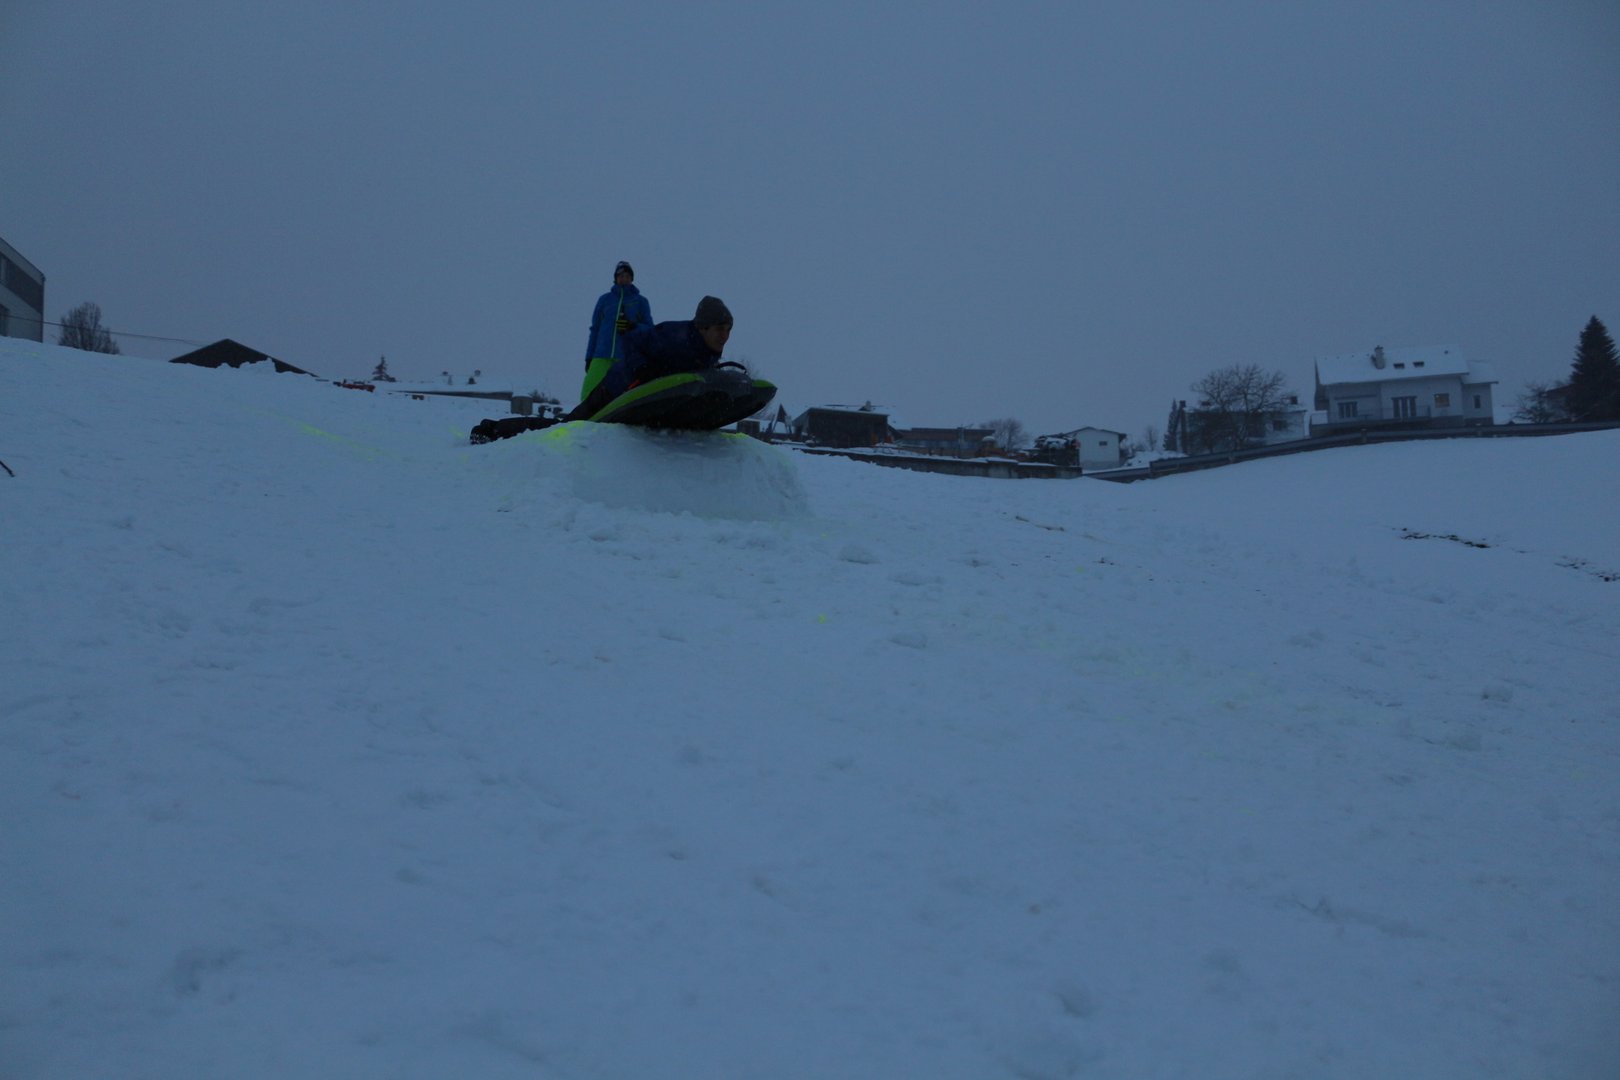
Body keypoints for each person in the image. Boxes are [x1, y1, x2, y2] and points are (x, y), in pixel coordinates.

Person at [566, 295, 733, 420]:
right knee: (579, 421)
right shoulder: (673, 337)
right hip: (617, 384)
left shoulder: (707, 352)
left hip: (638, 401)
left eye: (728, 330)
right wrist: (641, 367)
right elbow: (632, 339)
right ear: (703, 327)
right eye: (720, 329)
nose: (725, 336)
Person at [581, 261, 652, 402]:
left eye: (627, 276)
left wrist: (633, 326)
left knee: (620, 394)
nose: (624, 279)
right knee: (589, 390)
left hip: (625, 356)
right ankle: (583, 415)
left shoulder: (641, 301)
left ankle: (617, 416)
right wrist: (589, 356)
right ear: (615, 278)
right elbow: (595, 329)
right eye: (621, 276)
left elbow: (650, 329)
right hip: (601, 355)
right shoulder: (604, 300)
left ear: (632, 278)